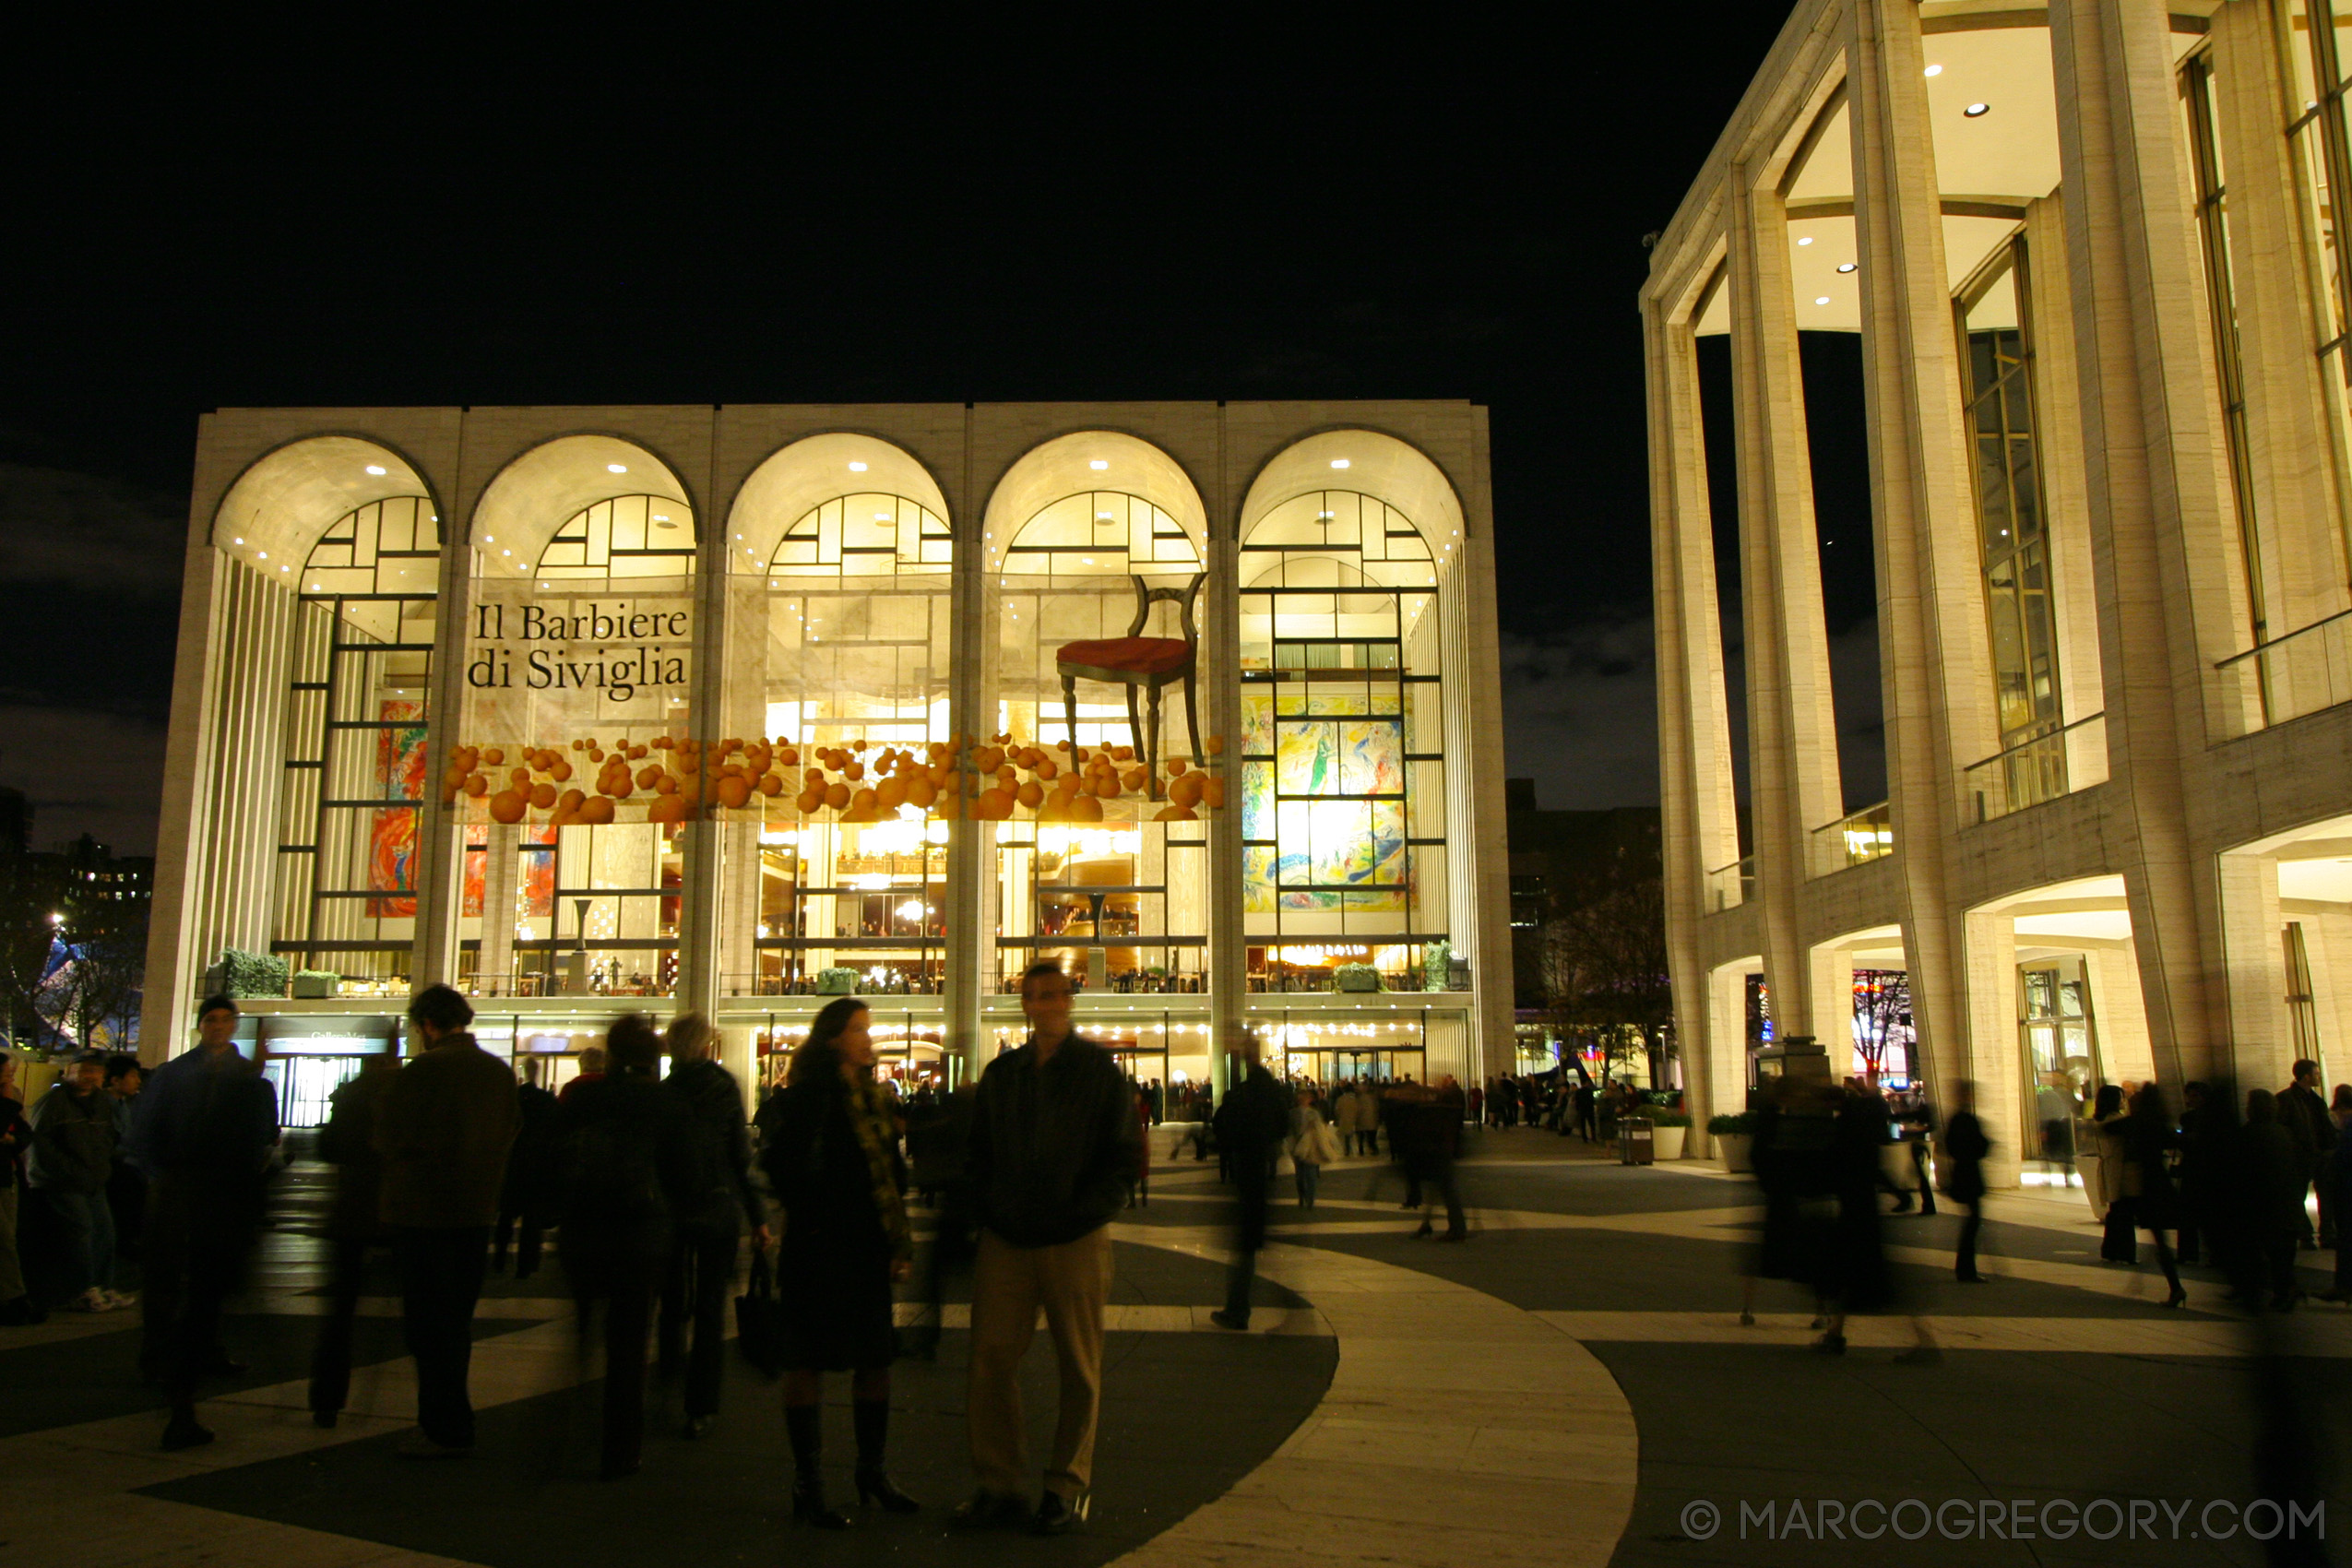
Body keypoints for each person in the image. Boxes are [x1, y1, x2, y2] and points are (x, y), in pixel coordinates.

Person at [958, 960, 1141, 1536]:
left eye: (1054, 995)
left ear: (1070, 999)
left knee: (1079, 1366)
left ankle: (1065, 1485)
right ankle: (999, 1482)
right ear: (1024, 1005)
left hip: (1075, 1238)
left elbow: (1123, 1156)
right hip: (1008, 1238)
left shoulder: (1097, 1072)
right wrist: (991, 1210)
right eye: (1034, 997)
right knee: (990, 1359)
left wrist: (1083, 1212)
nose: (1045, 1006)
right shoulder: (1003, 1073)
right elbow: (979, 1152)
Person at [754, 997, 917, 1526]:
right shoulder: (806, 1099)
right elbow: (782, 1168)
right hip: (820, 1247)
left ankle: (872, 1470)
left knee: (875, 1360)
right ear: (832, 1040)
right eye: (858, 1030)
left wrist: (895, 1242)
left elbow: (892, 1174)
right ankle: (810, 1482)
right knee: (807, 1362)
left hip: (865, 1248)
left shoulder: (873, 1099)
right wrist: (822, 1211)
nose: (868, 1038)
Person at [374, 983, 519, 1459]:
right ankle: (455, 1420)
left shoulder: (423, 1072)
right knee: (456, 1322)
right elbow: (511, 1134)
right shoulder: (497, 1073)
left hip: (423, 1214)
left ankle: (440, 1425)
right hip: (474, 1212)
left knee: (427, 1327)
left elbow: (390, 1137)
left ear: (428, 1026)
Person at [129, 995, 280, 1450]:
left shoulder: (246, 1076)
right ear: (201, 1026)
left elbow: (262, 1134)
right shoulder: (179, 1074)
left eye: (225, 1019)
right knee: (173, 1278)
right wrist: (162, 1174)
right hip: (185, 1185)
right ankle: (163, 1357)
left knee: (203, 1283)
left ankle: (195, 1355)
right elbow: (146, 1129)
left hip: (213, 1189)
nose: (218, 1027)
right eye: (211, 1020)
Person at [555, 1014, 695, 1479]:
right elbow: (683, 1174)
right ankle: (621, 1447)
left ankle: (569, 1420)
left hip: (584, 1229)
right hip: (640, 1235)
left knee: (583, 1328)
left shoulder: (583, 1096)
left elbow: (552, 1156)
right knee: (629, 1344)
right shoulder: (665, 1102)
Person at [657, 1012, 768, 1441]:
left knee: (671, 1300)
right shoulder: (723, 1087)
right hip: (718, 1207)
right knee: (709, 1308)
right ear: (707, 1046)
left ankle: (667, 1377)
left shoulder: (664, 1092)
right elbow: (741, 1159)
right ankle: (701, 1404)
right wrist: (758, 1217)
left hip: (673, 1208)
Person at [309, 1039, 398, 1426]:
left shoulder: (352, 1093)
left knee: (340, 1313)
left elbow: (328, 1146)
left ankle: (327, 1399)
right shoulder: (402, 1092)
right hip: (395, 1210)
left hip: (352, 1209)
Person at [26, 1051, 125, 1313]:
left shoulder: (101, 1102)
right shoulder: (53, 1102)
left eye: (94, 1071)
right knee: (81, 1233)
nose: (89, 1076)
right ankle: (82, 1289)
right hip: (62, 1182)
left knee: (105, 1232)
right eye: (84, 1070)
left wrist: (101, 1167)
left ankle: (102, 1286)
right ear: (70, 1071)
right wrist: (70, 1170)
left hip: (93, 1180)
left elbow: (108, 1137)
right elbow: (40, 1143)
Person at [1209, 1034, 1289, 1332]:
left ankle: (1238, 1310)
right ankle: (1239, 1308)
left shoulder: (1247, 1092)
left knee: (1247, 1248)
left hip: (1249, 1172)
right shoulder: (1270, 1090)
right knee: (1253, 1247)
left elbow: (1225, 1126)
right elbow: (1282, 1123)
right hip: (1261, 1171)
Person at [2115, 1083, 2187, 1308]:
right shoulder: (2161, 1124)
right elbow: (2175, 1142)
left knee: (2158, 1238)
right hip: (2161, 1183)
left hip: (2145, 1184)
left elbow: (2108, 1128)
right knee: (2160, 1237)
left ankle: (2175, 1287)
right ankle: (2173, 1286)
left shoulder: (2137, 1123)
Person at [494, 1057, 560, 1279]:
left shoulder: (514, 1098)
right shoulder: (546, 1100)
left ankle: (499, 1259)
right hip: (538, 1162)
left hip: (515, 1161)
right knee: (532, 1219)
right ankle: (526, 1264)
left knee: (507, 1214)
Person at [2281, 1059, 2337, 1248]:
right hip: (2300, 1156)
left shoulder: (2315, 1100)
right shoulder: (2287, 1099)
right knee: (2298, 1197)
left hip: (2319, 1155)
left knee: (2326, 1195)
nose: (2319, 1076)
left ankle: (2326, 1234)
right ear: (2306, 1076)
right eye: (2316, 1073)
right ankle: (2306, 1235)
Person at [0, 1055, 39, 1324]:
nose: (11, 1077)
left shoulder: (10, 1099)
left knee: (8, 1238)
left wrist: (13, 1140)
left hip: (7, 1175)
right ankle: (13, 1299)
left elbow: (24, 1133)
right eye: (6, 1073)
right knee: (4, 1241)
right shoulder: (7, 1101)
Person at [1942, 1079, 1991, 1284]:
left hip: (1962, 1173)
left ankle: (1965, 1268)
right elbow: (1979, 1146)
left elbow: (1951, 1146)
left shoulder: (1956, 1119)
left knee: (1972, 1220)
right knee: (1973, 1221)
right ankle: (1966, 1269)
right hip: (1969, 1174)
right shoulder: (1967, 1120)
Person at [101, 1054, 145, 1283]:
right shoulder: (106, 1106)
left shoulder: (123, 1105)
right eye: (133, 1076)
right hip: (114, 1174)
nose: (138, 1081)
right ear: (116, 1080)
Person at [2090, 1084, 2134, 1263]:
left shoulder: (2100, 1120)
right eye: (2121, 1097)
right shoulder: (2117, 1122)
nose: (2124, 1101)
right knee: (2124, 1214)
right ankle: (2125, 1253)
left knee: (2116, 1212)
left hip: (2109, 1169)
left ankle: (2111, 1250)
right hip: (2120, 1170)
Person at [1289, 1086, 1336, 1209]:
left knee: (1310, 1174)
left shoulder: (1314, 1113)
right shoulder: (1293, 1113)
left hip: (1311, 1147)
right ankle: (1302, 1196)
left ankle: (1310, 1199)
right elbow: (1290, 1130)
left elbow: (1320, 1131)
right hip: (1297, 1147)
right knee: (1300, 1176)